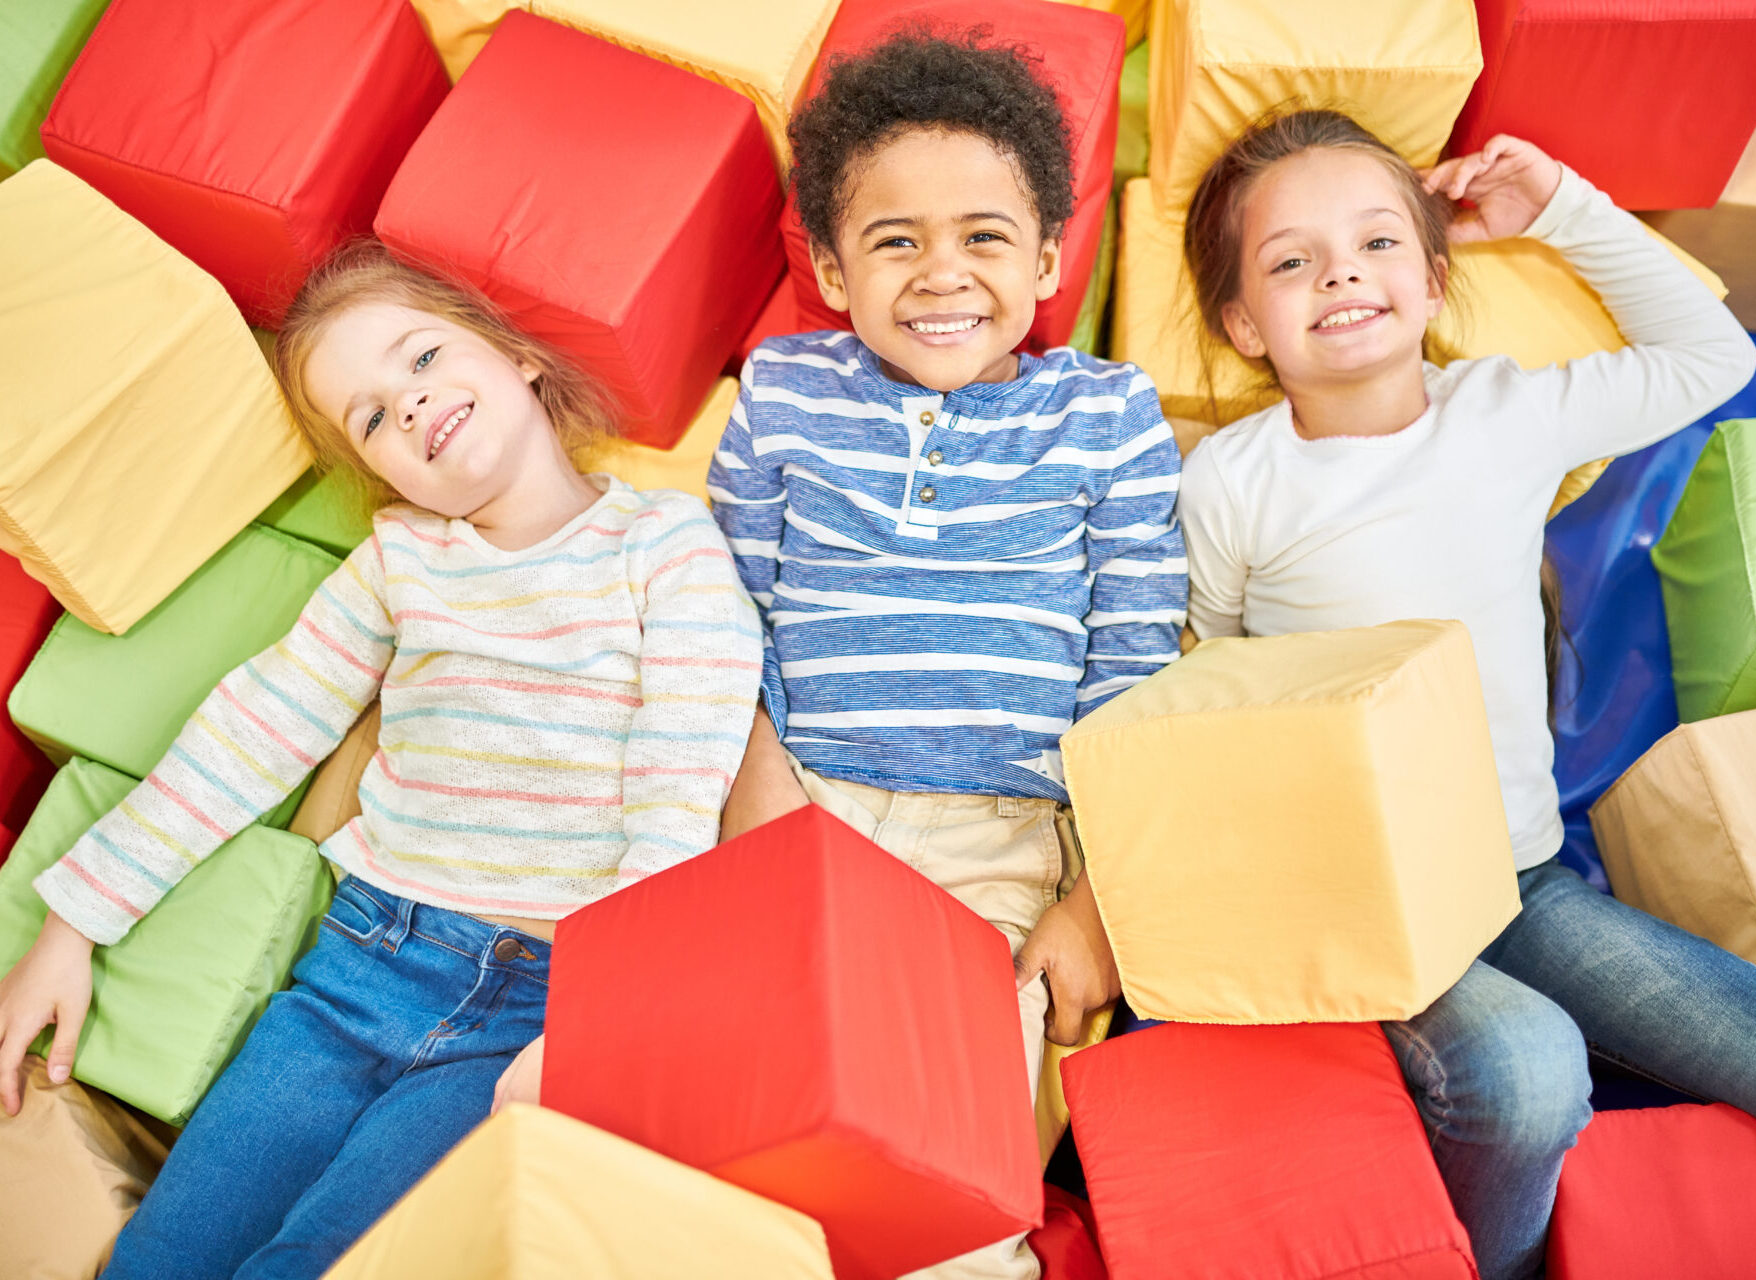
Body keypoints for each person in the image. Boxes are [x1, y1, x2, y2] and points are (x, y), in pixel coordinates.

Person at [0, 242, 764, 1278]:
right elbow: (254, 726)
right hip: (361, 963)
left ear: (514, 355)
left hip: (544, 998)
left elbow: (677, 793)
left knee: (319, 1262)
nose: (405, 405)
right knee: (163, 1258)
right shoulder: (400, 563)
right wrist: (76, 920)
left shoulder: (663, 542)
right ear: (380, 472)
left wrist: (600, 1023)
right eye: (368, 417)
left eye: (420, 358)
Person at [1177, 109, 1756, 1280]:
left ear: (1433, 282)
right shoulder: (1233, 481)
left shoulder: (1502, 411)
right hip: (1360, 897)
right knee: (1529, 1077)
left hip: (1521, 878)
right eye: (1290, 260)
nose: (1339, 272)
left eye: (1377, 243)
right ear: (1242, 322)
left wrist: (1564, 207)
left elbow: (1712, 360)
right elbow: (1207, 675)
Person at [710, 31, 1186, 1280]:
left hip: (1004, 838)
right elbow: (720, 608)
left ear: (1043, 260)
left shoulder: (1108, 413)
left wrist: (1100, 898)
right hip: (799, 811)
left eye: (983, 236)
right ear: (830, 267)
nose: (941, 274)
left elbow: (1137, 665)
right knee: (739, 1158)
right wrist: (755, 782)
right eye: (894, 239)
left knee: (948, 1204)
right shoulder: (783, 390)